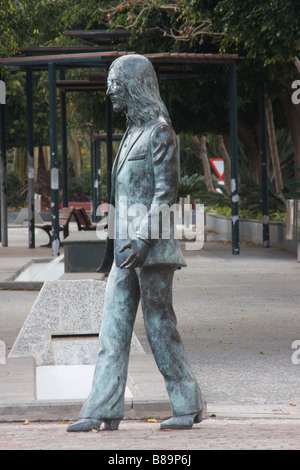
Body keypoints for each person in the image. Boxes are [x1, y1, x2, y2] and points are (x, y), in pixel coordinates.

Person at [67, 54, 203, 432]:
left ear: (134, 85)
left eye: (115, 82)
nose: (109, 90)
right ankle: (101, 409)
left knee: (160, 326)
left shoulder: (161, 131)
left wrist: (143, 237)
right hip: (125, 251)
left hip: (151, 249)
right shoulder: (131, 133)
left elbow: (165, 193)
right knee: (112, 326)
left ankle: (187, 401)